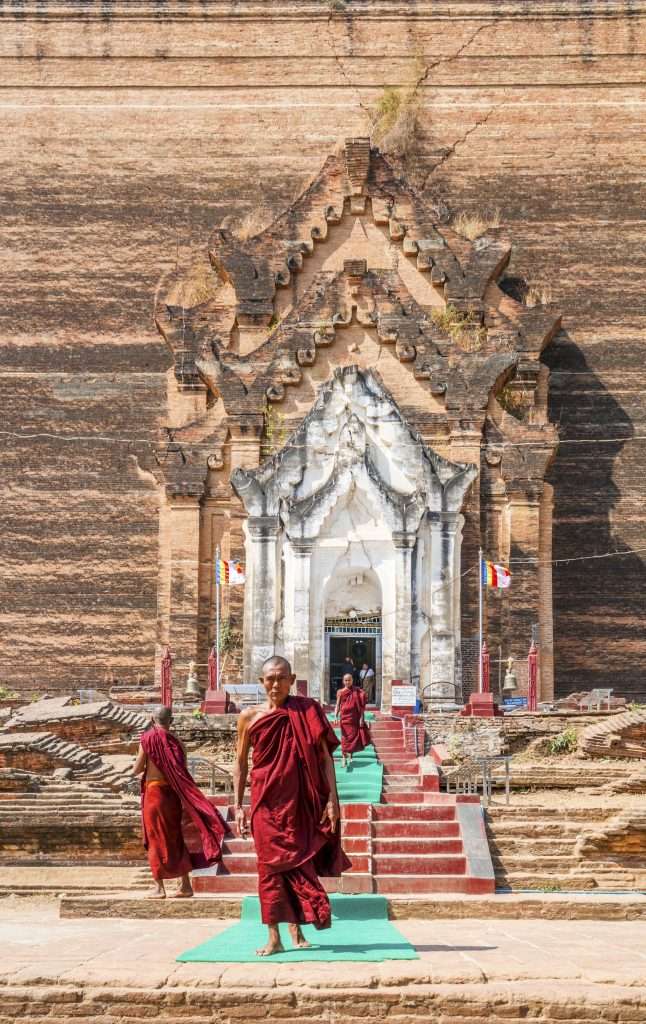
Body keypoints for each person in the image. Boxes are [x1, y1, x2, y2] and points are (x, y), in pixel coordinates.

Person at [234, 655, 350, 956]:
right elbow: (240, 764)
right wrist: (238, 805)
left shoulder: (307, 710)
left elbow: (325, 758)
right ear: (261, 681)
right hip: (264, 804)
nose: (276, 684)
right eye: (270, 678)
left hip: (299, 802)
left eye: (281, 677)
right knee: (269, 869)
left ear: (292, 679)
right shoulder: (249, 717)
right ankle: (274, 936)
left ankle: (296, 932)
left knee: (299, 861)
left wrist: (331, 800)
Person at [133, 705, 227, 899]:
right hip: (174, 796)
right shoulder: (178, 742)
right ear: (171, 721)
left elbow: (137, 768)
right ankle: (185, 885)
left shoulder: (147, 739)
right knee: (175, 838)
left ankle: (159, 888)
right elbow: (180, 772)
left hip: (155, 795)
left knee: (154, 839)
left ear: (152, 719)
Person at [334, 672, 369, 768]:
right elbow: (337, 705)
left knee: (353, 738)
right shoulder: (340, 692)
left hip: (354, 718)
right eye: (345, 680)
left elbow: (361, 706)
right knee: (345, 738)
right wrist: (335, 716)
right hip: (344, 719)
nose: (347, 682)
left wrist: (362, 718)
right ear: (343, 681)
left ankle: (350, 755)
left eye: (349, 680)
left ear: (352, 680)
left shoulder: (357, 691)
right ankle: (344, 757)